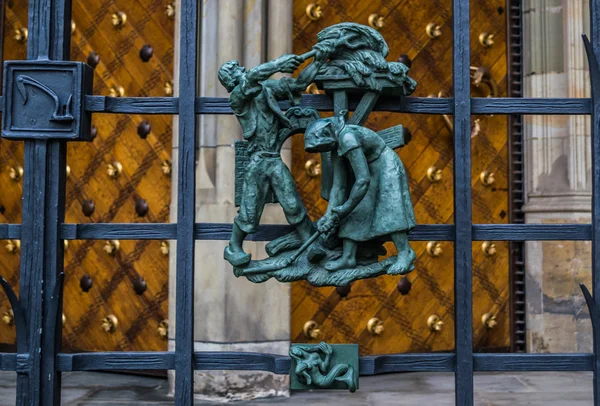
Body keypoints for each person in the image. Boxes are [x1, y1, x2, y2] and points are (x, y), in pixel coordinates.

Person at [218, 42, 334, 267]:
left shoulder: (266, 89)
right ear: (232, 81)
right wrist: (279, 63)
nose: (242, 70)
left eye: (241, 68)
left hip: (272, 158)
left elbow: (299, 84)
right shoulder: (238, 98)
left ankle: (310, 245)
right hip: (258, 160)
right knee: (250, 210)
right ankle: (233, 247)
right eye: (237, 70)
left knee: (292, 203)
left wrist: (318, 61)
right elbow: (252, 77)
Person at [304, 110, 417, 274]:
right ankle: (348, 257)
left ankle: (405, 253)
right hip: (368, 170)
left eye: (323, 146)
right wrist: (329, 215)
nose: (325, 149)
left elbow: (363, 180)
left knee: (390, 208)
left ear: (328, 132)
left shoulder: (347, 138)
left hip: (385, 166)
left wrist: (345, 208)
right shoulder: (335, 145)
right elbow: (339, 186)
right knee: (354, 211)